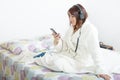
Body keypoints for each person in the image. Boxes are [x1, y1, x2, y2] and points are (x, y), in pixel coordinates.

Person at [35, 4, 120, 80]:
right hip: (70, 57)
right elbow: (65, 46)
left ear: (81, 16)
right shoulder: (71, 28)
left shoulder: (90, 30)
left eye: (72, 16)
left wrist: (101, 70)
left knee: (57, 63)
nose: (70, 19)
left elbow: (95, 51)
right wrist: (57, 40)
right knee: (51, 60)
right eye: (69, 16)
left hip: (82, 61)